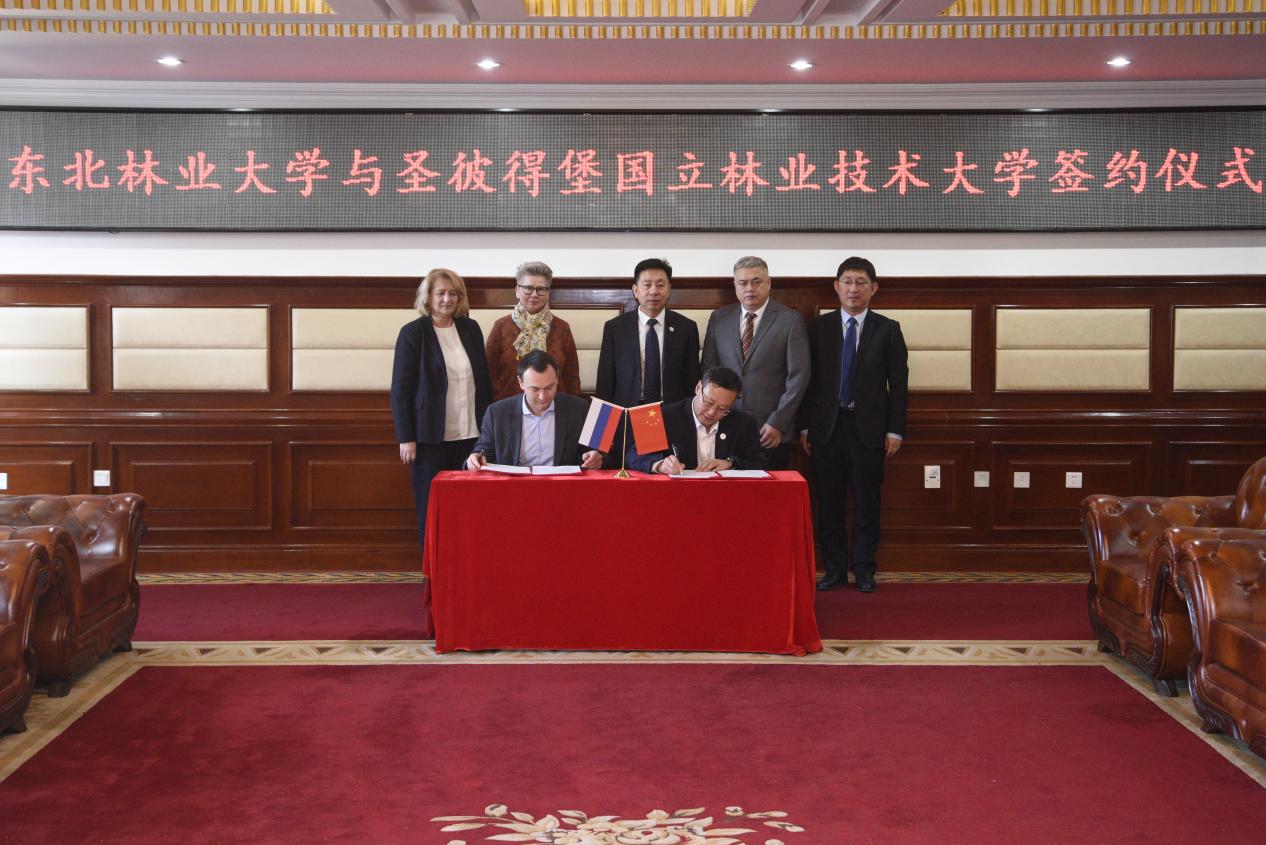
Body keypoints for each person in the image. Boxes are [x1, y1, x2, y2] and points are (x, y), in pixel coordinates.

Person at [801, 257, 908, 593]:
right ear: (836, 286)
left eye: (861, 282)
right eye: (847, 281)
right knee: (829, 504)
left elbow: (899, 385)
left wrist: (895, 429)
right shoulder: (818, 328)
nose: (853, 289)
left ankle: (863, 569)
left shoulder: (888, 329)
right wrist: (804, 427)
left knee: (866, 503)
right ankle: (834, 570)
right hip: (826, 430)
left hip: (869, 430)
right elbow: (807, 382)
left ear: (873, 288)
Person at [391, 268, 493, 549]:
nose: (447, 299)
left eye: (453, 293)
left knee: (469, 510)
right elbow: (401, 391)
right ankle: (434, 572)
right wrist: (406, 437)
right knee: (432, 510)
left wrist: (488, 435)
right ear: (428, 296)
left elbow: (483, 383)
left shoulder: (470, 329)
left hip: (471, 439)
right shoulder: (413, 334)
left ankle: (466, 568)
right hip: (429, 440)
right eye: (441, 293)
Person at [702, 256, 810, 471]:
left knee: (770, 489)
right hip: (724, 424)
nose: (749, 288)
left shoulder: (790, 320)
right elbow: (709, 370)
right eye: (743, 283)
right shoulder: (719, 318)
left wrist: (779, 421)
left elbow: (798, 377)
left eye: (757, 281)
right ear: (735, 285)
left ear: (769, 283)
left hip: (770, 429)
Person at [595, 257, 701, 462]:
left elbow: (692, 382)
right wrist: (599, 441)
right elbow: (605, 384)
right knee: (632, 471)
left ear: (669, 289)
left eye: (660, 285)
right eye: (647, 285)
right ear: (635, 290)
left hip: (671, 414)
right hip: (629, 415)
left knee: (669, 471)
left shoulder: (686, 328)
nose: (654, 291)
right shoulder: (615, 328)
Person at [465, 350, 603, 470]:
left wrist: (595, 458)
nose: (542, 396)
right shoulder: (497, 413)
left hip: (563, 486)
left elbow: (600, 454)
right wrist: (475, 459)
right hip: (514, 487)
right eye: (535, 389)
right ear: (521, 383)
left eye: (549, 387)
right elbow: (483, 452)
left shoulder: (580, 408)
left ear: (557, 378)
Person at [626, 367, 765, 475]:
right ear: (698, 388)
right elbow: (634, 456)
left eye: (723, 408)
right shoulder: (661, 415)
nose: (711, 412)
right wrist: (659, 465)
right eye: (708, 402)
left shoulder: (745, 422)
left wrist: (730, 464)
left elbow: (759, 463)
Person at [483, 261, 582, 401]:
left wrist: (573, 407)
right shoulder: (501, 327)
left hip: (554, 406)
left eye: (541, 289)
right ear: (517, 291)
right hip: (509, 407)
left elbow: (572, 376)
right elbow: (487, 374)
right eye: (528, 288)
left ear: (548, 293)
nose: (534, 294)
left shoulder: (562, 328)